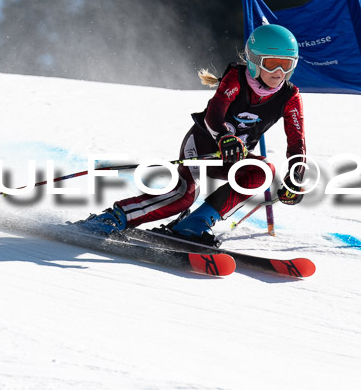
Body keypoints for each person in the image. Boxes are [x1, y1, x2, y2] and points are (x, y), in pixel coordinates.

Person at [77, 24, 307, 246]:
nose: (280, 73)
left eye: (287, 65)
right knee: (182, 196)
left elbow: (297, 142)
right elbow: (214, 114)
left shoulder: (290, 97)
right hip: (202, 147)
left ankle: (193, 224)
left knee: (263, 170)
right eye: (273, 64)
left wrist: (296, 177)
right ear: (255, 61)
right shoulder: (236, 78)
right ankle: (114, 218)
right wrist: (224, 136)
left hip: (233, 157)